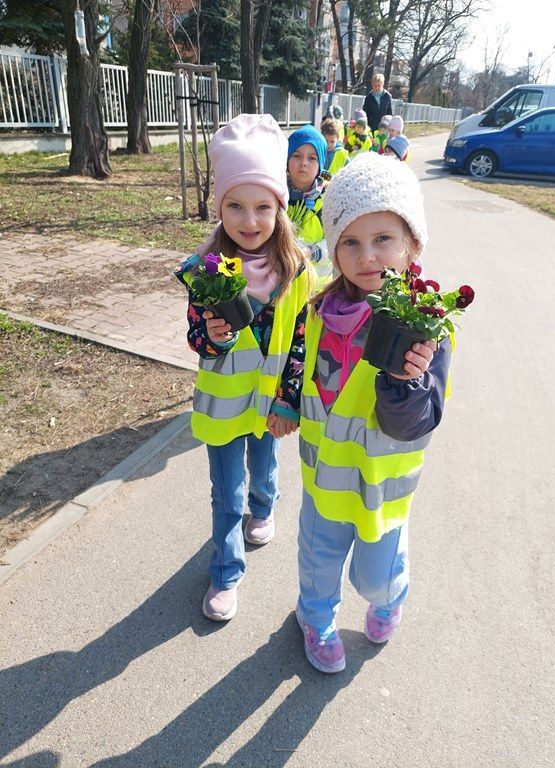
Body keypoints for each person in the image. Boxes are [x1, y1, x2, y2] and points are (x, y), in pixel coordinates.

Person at [295, 154, 452, 673]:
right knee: (318, 560)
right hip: (324, 476)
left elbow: (416, 421)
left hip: (381, 485)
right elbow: (298, 369)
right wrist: (283, 403)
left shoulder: (425, 328)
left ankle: (389, 600)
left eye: (383, 238)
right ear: (335, 247)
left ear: (412, 244)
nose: (367, 256)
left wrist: (405, 384)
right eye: (350, 242)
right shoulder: (319, 312)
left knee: (376, 575)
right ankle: (314, 618)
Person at [174, 114, 313, 623]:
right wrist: (210, 339)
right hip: (223, 407)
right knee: (226, 493)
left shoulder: (296, 272)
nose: (249, 221)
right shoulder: (203, 270)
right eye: (235, 205)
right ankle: (226, 572)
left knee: (264, 464)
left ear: (280, 207)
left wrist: (288, 400)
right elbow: (195, 337)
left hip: (269, 401)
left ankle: (266, 504)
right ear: (219, 207)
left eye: (262, 207)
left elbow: (300, 342)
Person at [287, 124, 333, 286]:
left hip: (317, 288)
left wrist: (310, 252)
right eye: (296, 155)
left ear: (321, 163)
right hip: (282, 287)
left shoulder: (329, 199)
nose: (303, 163)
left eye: (312, 158)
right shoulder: (276, 196)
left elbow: (339, 241)